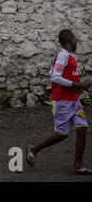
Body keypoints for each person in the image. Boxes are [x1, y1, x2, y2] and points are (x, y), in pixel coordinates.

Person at [26, 29, 91, 175]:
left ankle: (78, 166)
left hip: (73, 100)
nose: (76, 42)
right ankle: (33, 149)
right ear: (70, 41)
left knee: (82, 129)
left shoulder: (67, 56)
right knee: (62, 134)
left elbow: (52, 71)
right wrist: (77, 85)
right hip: (62, 101)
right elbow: (55, 77)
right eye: (75, 39)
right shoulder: (63, 55)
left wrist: (76, 88)